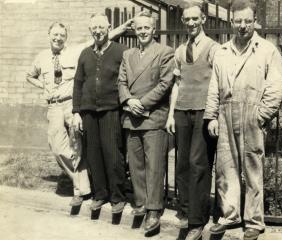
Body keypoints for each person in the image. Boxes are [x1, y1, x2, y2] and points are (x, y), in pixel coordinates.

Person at [203, 0, 282, 239]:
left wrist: (261, 114)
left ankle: (253, 221)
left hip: (253, 114)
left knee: (252, 168)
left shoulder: (266, 49)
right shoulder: (222, 51)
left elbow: (277, 85)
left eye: (247, 21)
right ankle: (230, 216)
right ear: (231, 22)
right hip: (225, 112)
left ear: (254, 21)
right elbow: (214, 86)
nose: (242, 26)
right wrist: (211, 117)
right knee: (226, 167)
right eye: (238, 21)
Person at [26, 20, 131, 206]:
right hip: (54, 106)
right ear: (48, 35)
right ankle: (85, 178)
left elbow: (99, 36)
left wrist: (121, 28)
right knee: (57, 147)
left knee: (78, 146)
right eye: (55, 35)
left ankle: (81, 190)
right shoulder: (41, 57)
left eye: (62, 35)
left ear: (66, 37)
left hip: (72, 104)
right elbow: (29, 75)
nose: (58, 38)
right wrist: (43, 85)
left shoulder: (75, 51)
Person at [165, 1, 219, 239]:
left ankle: (197, 221)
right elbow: (177, 85)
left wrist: (213, 114)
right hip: (182, 112)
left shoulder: (214, 48)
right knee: (182, 164)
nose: (190, 23)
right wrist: (170, 115)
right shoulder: (179, 50)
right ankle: (185, 214)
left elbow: (218, 83)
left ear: (203, 20)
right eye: (187, 19)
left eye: (195, 19)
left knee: (199, 163)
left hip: (203, 112)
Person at [118, 12, 174, 235]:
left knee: (154, 167)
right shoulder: (128, 54)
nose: (142, 32)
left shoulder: (164, 52)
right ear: (135, 30)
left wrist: (141, 102)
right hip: (131, 116)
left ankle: (153, 210)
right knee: (136, 164)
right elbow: (121, 81)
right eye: (139, 28)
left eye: (146, 28)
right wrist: (129, 101)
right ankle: (140, 203)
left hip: (152, 116)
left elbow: (165, 83)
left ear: (154, 30)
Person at [72, 13, 128, 214]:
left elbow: (127, 80)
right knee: (93, 154)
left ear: (109, 27)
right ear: (90, 30)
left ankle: (117, 197)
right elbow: (78, 83)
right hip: (88, 112)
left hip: (111, 110)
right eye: (93, 28)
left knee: (113, 154)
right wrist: (76, 112)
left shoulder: (121, 51)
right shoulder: (85, 54)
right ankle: (100, 194)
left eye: (101, 27)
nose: (97, 31)